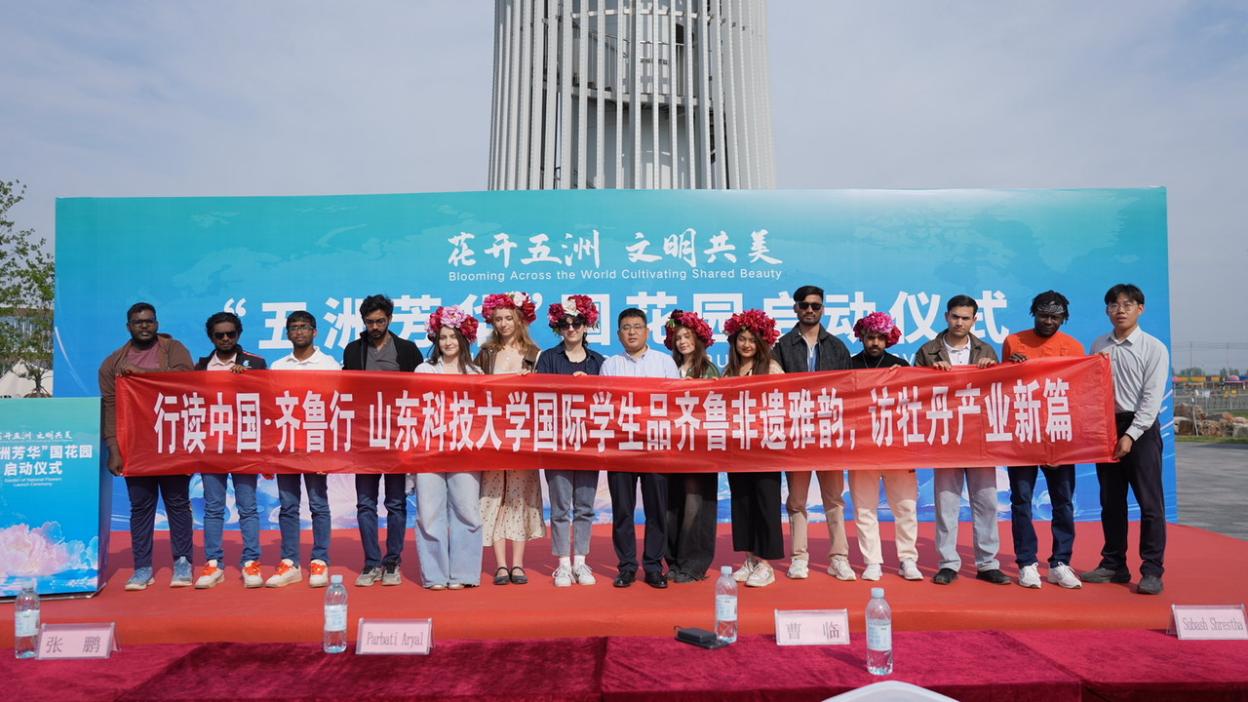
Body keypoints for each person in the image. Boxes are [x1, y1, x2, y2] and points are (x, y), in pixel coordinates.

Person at [99, 302, 196, 591]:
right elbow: (111, 406)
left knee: (178, 504)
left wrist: (141, 374)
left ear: (157, 324)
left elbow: (186, 381)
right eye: (138, 322)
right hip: (136, 446)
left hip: (172, 441)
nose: (144, 326)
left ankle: (183, 562)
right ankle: (142, 567)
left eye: (149, 321)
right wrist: (113, 448)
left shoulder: (173, 349)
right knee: (141, 507)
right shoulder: (113, 363)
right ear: (128, 326)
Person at [915, 294, 1008, 586]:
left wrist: (992, 369)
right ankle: (948, 563)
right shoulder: (928, 351)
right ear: (946, 317)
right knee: (946, 504)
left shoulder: (986, 350)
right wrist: (930, 375)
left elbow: (999, 392)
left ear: (974, 320)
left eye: (965, 318)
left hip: (979, 439)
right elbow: (915, 392)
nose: (959, 322)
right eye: (955, 316)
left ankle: (988, 563)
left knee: (986, 502)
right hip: (945, 438)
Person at [1083, 284, 1169, 595]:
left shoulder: (1154, 348)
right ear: (1107, 310)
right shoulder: (1099, 345)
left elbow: (1151, 399)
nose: (1120, 310)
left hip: (1141, 429)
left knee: (1150, 504)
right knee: (1111, 501)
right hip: (1107, 427)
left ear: (1140, 309)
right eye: (1114, 305)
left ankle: (1152, 570)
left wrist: (1131, 435)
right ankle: (1114, 564)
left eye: (1127, 304)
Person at [770, 285, 855, 581]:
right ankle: (799, 557)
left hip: (829, 433)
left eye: (815, 306)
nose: (809, 310)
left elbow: (850, 392)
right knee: (796, 501)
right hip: (796, 434)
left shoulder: (837, 347)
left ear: (823, 309)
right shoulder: (781, 347)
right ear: (795, 308)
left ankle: (839, 558)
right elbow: (773, 390)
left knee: (834, 500)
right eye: (804, 305)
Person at [1002, 291, 1085, 590]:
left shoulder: (1074, 346)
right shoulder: (1014, 341)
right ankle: (1026, 562)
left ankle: (1061, 562)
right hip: (1024, 433)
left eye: (1055, 317)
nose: (1048, 321)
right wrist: (1010, 366)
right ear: (1033, 313)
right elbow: (1003, 385)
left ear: (1064, 318)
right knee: (1021, 500)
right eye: (1043, 315)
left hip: (1058, 434)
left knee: (1062, 501)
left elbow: (1079, 390)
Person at [343, 294, 422, 587]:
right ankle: (371, 563)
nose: (375, 326)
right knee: (365, 504)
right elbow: (346, 391)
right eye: (370, 322)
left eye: (380, 321)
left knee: (395, 503)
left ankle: (392, 562)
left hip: (396, 437)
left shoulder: (407, 350)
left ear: (390, 319)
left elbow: (421, 391)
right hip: (364, 439)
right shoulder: (353, 351)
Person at [601, 307, 682, 589]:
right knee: (623, 510)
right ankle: (626, 567)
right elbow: (605, 404)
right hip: (621, 448)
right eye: (626, 328)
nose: (632, 332)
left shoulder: (664, 362)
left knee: (656, 510)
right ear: (618, 334)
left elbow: (675, 403)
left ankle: (653, 566)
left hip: (655, 447)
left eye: (637, 327)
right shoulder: (610, 365)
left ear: (647, 331)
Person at [411, 306, 485, 590]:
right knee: (429, 513)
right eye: (442, 337)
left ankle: (464, 573)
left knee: (467, 511)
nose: (448, 342)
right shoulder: (424, 370)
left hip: (465, 451)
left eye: (453, 336)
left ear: (464, 339)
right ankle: (435, 575)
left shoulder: (475, 373)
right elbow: (415, 410)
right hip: (429, 450)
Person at [192, 311, 267, 589]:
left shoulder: (255, 363)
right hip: (212, 445)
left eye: (230, 334)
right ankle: (213, 563)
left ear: (238, 334)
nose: (225, 339)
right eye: (219, 335)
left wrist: (248, 379)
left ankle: (251, 562)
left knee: (247, 507)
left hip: (244, 445)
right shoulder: (201, 367)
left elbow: (268, 400)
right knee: (213, 508)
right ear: (211, 337)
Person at [475, 292, 545, 586]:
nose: (503, 324)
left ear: (519, 319)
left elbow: (547, 395)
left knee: (519, 496)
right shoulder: (486, 352)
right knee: (493, 496)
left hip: (522, 434)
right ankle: (500, 564)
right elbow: (472, 389)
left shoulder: (535, 354)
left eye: (508, 318)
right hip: (493, 432)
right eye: (498, 319)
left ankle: (518, 564)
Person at [534, 295, 605, 587]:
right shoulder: (548, 359)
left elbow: (608, 400)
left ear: (587, 325)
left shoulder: (599, 362)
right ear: (558, 328)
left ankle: (581, 561)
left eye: (577, 323)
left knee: (585, 506)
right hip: (558, 441)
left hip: (588, 442)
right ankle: (563, 563)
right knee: (561, 506)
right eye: (565, 324)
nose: (572, 329)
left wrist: (589, 385)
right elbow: (539, 395)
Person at [847, 312, 922, 582]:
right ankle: (872, 561)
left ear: (889, 339)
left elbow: (916, 405)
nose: (875, 342)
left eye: (880, 338)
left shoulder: (900, 366)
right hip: (861, 450)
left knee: (905, 507)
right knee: (864, 508)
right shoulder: (849, 366)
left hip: (896, 449)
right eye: (870, 337)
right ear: (862, 337)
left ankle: (908, 559)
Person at [266, 310, 339, 588]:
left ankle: (320, 560)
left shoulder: (329, 364)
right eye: (294, 327)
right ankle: (290, 562)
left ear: (314, 331)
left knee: (318, 504)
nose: (299, 331)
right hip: (286, 444)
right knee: (288, 506)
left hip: (317, 444)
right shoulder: (278, 366)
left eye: (304, 327)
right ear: (287, 333)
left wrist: (329, 449)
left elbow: (335, 408)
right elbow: (271, 408)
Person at [724, 309, 786, 588]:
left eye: (752, 340)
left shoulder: (771, 368)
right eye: (742, 339)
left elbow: (782, 405)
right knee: (742, 503)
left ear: (761, 342)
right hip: (737, 449)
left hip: (764, 450)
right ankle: (750, 558)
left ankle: (766, 564)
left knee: (765, 503)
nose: (746, 344)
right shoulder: (729, 371)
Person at [662, 309, 721, 583]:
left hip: (699, 448)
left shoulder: (709, 369)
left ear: (698, 338)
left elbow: (717, 404)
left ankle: (693, 563)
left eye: (687, 336)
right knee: (672, 503)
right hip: (671, 447)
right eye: (678, 337)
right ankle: (673, 560)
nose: (682, 341)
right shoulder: (667, 368)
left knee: (695, 504)